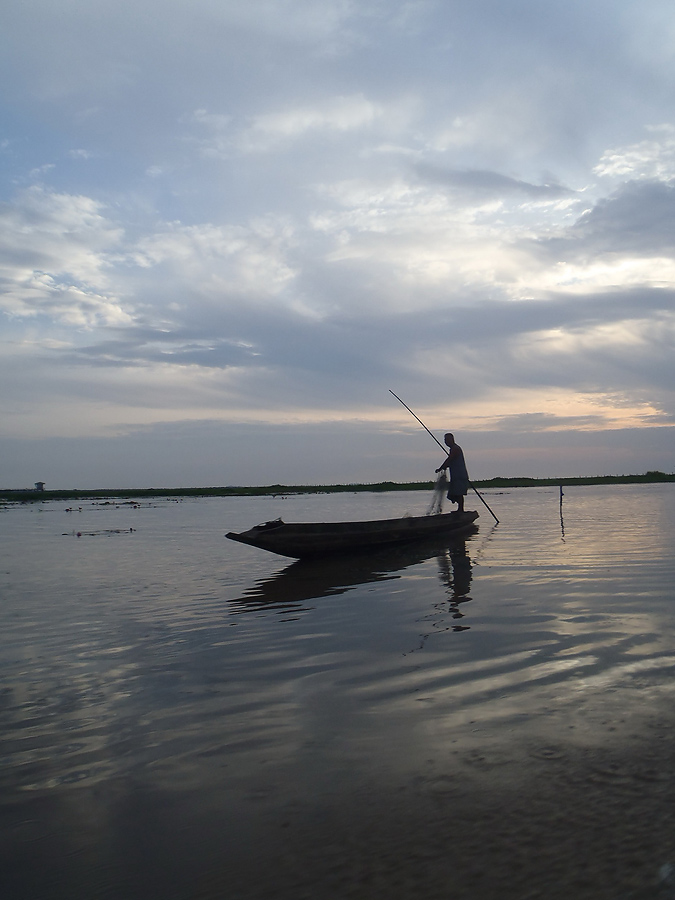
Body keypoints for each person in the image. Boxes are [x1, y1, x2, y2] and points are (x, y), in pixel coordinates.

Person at [435, 433, 469, 513]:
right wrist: (444, 467)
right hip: (455, 476)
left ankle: (460, 510)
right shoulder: (453, 449)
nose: (446, 442)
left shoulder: (455, 449)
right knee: (452, 494)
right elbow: (450, 461)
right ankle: (460, 509)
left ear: (452, 439)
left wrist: (441, 467)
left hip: (460, 475)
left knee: (458, 493)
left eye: (447, 439)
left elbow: (450, 459)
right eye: (445, 440)